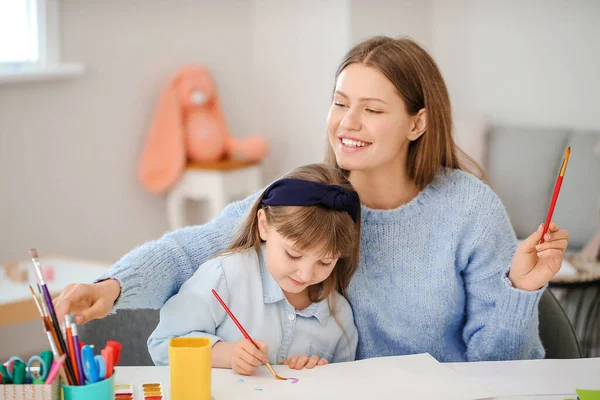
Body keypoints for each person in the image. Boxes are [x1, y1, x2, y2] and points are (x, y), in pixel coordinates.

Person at [55, 36, 569, 362]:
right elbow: (194, 247)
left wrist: (519, 290)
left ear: (418, 122)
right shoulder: (312, 195)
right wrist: (113, 285)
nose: (348, 123)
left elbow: (501, 367)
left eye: (372, 109)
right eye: (340, 103)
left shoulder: (470, 210)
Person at [146, 164, 361, 374]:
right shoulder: (225, 277)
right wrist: (226, 354)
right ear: (264, 225)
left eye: (325, 262)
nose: (305, 274)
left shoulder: (339, 316)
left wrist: (316, 374)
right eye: (293, 254)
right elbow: (163, 345)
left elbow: (344, 384)